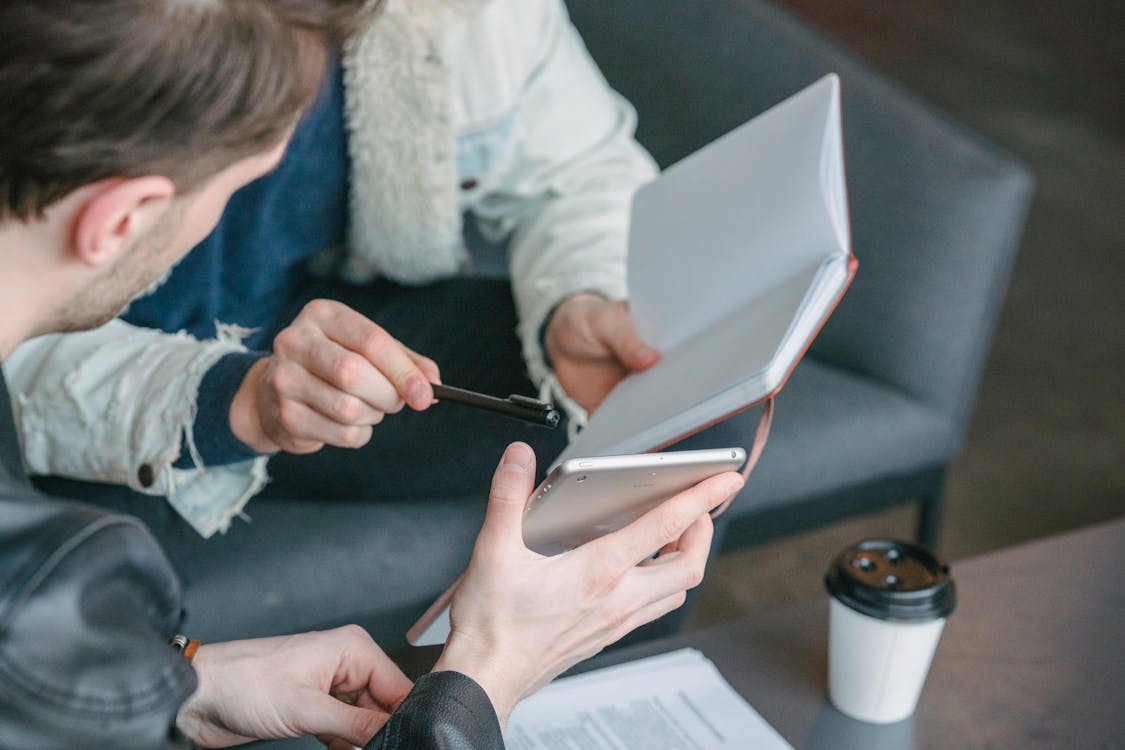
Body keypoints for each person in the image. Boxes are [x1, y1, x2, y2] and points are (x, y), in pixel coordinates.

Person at [0, 1, 745, 747]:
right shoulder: (48, 588)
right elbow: (60, 680)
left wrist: (191, 686)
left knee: (686, 411)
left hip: (287, 335)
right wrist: (489, 676)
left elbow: (580, 165)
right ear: (124, 216)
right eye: (236, 182)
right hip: (112, 389)